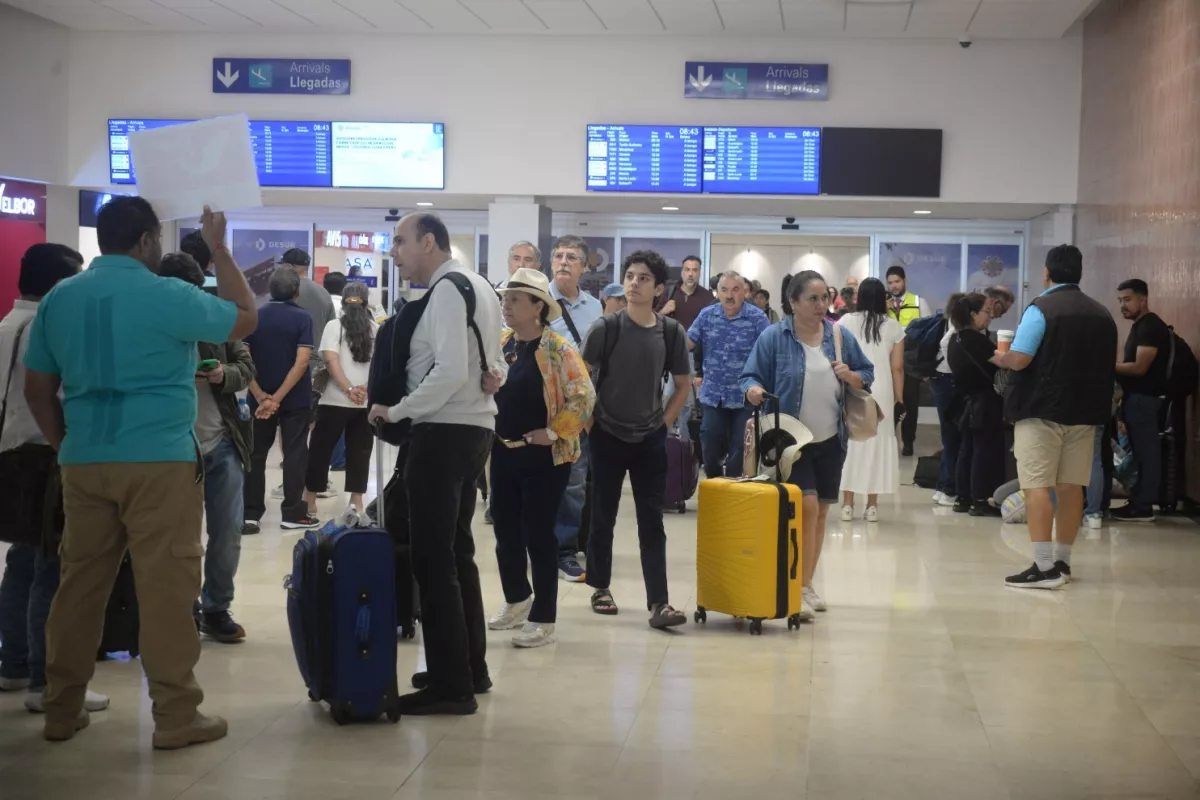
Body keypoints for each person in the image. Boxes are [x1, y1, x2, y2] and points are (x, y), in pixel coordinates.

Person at [24, 199, 256, 748]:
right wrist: (218, 247)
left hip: (84, 460)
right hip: (159, 462)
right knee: (167, 589)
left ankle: (62, 708)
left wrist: (67, 445)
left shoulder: (60, 297)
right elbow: (245, 316)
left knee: (79, 584)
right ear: (148, 241)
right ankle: (176, 716)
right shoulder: (168, 296)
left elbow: (38, 388)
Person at [368, 212, 503, 715]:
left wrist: (395, 411)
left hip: (443, 433)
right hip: (474, 432)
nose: (395, 252)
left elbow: (448, 372)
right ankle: (470, 668)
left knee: (432, 558)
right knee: (456, 552)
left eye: (400, 242)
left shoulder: (447, 289)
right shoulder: (480, 285)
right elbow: (494, 361)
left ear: (428, 242)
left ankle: (451, 685)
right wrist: (496, 378)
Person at [0, 244, 110, 714]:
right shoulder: (43, 328)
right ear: (58, 283)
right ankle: (50, 681)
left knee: (22, 562)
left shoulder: (7, 323)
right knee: (53, 566)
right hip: (48, 455)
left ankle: (14, 665)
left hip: (11, 453)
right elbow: (56, 393)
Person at [742, 271, 874, 618]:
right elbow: (749, 375)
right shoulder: (774, 337)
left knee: (821, 512)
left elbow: (866, 374)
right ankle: (790, 584)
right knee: (807, 506)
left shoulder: (838, 335)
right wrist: (753, 389)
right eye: (813, 299)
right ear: (793, 302)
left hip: (831, 439)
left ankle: (804, 584)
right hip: (789, 440)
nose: (821, 305)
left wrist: (851, 375)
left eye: (824, 298)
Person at [991, 245, 1117, 589]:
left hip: (1041, 411)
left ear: (1047, 274)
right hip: (1086, 412)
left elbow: (1020, 359)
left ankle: (1043, 566)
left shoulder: (1041, 308)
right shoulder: (1103, 314)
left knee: (1037, 486)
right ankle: (1062, 562)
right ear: (1079, 273)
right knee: (1072, 486)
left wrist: (1000, 358)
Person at [580, 250, 691, 629]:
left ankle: (659, 602)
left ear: (659, 288)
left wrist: (664, 424)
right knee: (602, 514)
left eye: (643, 278)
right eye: (629, 276)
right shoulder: (605, 328)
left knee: (651, 522)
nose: (633, 283)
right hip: (606, 434)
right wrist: (591, 424)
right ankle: (599, 586)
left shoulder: (671, 332)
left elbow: (682, 385)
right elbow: (581, 383)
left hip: (650, 438)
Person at [488, 269, 595, 648]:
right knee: (504, 530)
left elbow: (583, 397)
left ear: (537, 307)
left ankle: (543, 616)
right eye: (505, 298)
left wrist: (552, 432)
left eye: (515, 299)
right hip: (502, 450)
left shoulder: (558, 349)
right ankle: (517, 599)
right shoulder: (502, 344)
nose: (506, 305)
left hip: (546, 458)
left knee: (538, 534)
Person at [157, 253, 256, 643]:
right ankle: (181, 608)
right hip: (172, 446)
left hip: (222, 441)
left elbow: (246, 368)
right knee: (176, 538)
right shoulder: (151, 325)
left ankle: (216, 606)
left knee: (227, 532)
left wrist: (221, 374)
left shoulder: (217, 320)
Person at [243, 268, 320, 531]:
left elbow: (244, 360)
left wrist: (261, 396)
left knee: (255, 454)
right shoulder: (302, 318)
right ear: (297, 292)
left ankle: (250, 514)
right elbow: (301, 364)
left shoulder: (255, 316)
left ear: (269, 290)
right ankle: (292, 514)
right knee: (295, 452)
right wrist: (277, 398)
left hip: (259, 401)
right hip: (295, 399)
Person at [546, 236, 603, 582]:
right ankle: (536, 541)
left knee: (574, 481)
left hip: (579, 410)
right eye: (559, 256)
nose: (564, 262)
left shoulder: (595, 308)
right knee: (537, 480)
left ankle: (564, 550)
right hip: (541, 405)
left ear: (583, 266)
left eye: (572, 257)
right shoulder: (537, 300)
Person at [303, 281, 377, 521]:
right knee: (360, 451)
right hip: (364, 402)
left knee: (320, 450)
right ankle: (356, 501)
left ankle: (310, 499)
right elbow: (379, 366)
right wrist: (362, 389)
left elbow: (330, 360)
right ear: (366, 302)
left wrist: (347, 388)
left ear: (343, 302)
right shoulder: (376, 329)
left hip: (334, 400)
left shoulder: (334, 326)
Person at [687, 271, 768, 479]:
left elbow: (768, 353)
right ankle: (715, 484)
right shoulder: (707, 315)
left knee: (740, 449)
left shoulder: (757, 318)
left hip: (744, 396)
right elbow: (687, 343)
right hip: (713, 394)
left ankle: (732, 490)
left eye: (735, 290)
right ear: (718, 292)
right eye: (724, 290)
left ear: (744, 292)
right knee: (709, 444)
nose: (729, 295)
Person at [836, 277, 904, 522]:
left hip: (854, 386)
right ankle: (872, 506)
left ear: (859, 297)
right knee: (878, 442)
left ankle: (847, 504)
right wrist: (899, 398)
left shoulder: (845, 321)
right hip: (882, 388)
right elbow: (897, 367)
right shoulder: (892, 326)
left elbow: (837, 354)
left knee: (852, 441)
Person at [1112, 278, 1171, 522]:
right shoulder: (1140, 326)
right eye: (1120, 301)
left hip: (1145, 400)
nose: (1123, 305)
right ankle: (1138, 501)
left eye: (1127, 300)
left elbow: (1139, 368)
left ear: (1143, 299)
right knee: (1138, 452)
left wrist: (1108, 366)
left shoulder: (1150, 327)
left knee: (1147, 454)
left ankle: (1144, 506)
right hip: (1136, 399)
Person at [945, 293, 1005, 516]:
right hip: (985, 402)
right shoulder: (977, 340)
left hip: (965, 401)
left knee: (966, 450)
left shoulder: (955, 339)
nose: (990, 317)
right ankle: (980, 499)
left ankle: (963, 497)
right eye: (986, 312)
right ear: (973, 314)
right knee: (983, 450)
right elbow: (1003, 361)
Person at [885, 265, 932, 456]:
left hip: (911, 363)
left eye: (897, 281)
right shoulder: (883, 305)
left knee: (910, 404)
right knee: (888, 403)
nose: (894, 286)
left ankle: (909, 442)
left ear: (905, 281)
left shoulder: (919, 302)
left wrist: (925, 365)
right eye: (890, 282)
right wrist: (882, 309)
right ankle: (889, 441)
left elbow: (929, 335)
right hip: (888, 362)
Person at [659, 255, 717, 332]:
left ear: (699, 273)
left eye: (695, 270)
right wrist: (663, 311)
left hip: (697, 343)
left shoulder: (708, 297)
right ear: (682, 272)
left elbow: (714, 326)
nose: (690, 274)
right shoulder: (668, 293)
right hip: (671, 342)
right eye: (687, 269)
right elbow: (653, 320)